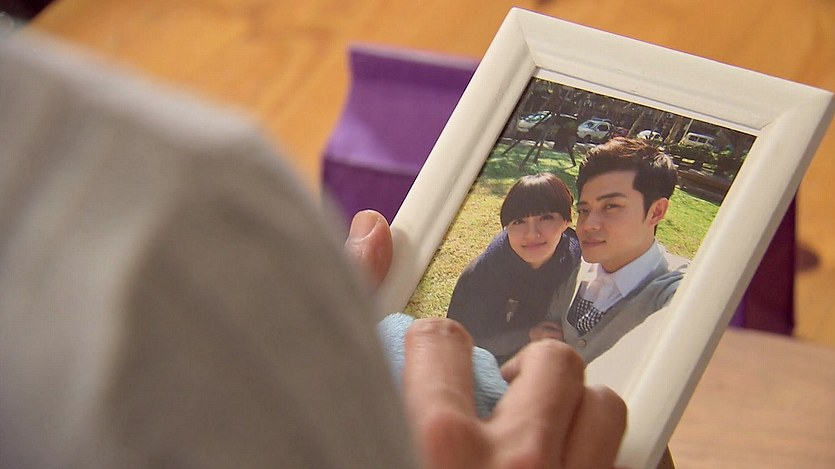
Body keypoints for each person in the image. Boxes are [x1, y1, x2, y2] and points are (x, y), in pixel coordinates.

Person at [0, 34, 626, 468]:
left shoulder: (572, 252)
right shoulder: (180, 218)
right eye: (523, 223)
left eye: (551, 222)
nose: (537, 233)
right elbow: (468, 320)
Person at [551, 137, 688, 363]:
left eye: (611, 206)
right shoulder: (574, 263)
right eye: (584, 210)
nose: (588, 225)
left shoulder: (677, 291)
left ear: (656, 212)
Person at [446, 173, 581, 364]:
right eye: (519, 221)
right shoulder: (484, 275)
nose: (532, 234)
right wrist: (529, 335)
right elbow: (469, 342)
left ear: (566, 222)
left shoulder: (579, 262)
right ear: (506, 227)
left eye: (546, 218)